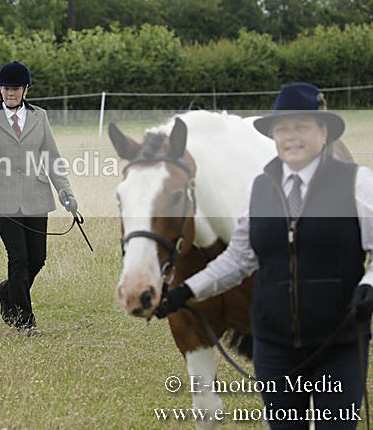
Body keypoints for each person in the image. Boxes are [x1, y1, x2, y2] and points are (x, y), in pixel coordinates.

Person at [156, 82, 373, 428]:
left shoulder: (358, 184)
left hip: (338, 341)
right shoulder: (259, 188)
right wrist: (186, 292)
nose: (291, 136)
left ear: (323, 131)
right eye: (282, 128)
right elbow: (239, 258)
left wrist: (370, 283)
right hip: (275, 346)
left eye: (301, 126)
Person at [0, 61, 78, 336]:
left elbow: (52, 158)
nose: (10, 93)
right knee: (18, 258)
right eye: (6, 88)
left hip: (35, 194)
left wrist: (66, 192)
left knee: (38, 258)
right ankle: (24, 322)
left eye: (15, 88)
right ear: (0, 89)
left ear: (25, 90)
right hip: (0, 197)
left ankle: (6, 291)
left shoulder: (39, 117)